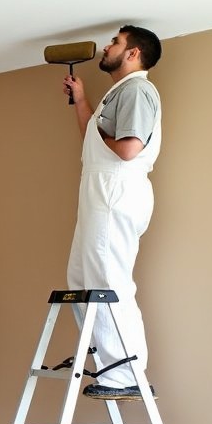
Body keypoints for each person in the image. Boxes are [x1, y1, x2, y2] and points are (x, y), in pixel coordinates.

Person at [62, 25, 162, 401]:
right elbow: (96, 136)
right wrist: (83, 99)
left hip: (115, 191)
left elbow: (128, 148)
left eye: (116, 43)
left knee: (108, 279)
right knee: (82, 278)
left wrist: (102, 131)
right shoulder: (119, 92)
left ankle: (125, 372)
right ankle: (108, 360)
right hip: (102, 192)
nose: (108, 46)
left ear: (134, 53)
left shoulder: (137, 89)